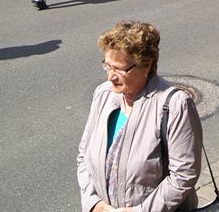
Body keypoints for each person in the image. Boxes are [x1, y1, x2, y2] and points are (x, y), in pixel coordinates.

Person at [77, 20, 203, 212]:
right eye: (108, 66)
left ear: (146, 66)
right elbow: (83, 156)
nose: (110, 76)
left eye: (119, 69)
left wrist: (141, 211)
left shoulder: (175, 104)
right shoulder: (103, 94)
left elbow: (184, 174)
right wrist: (93, 203)